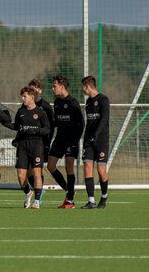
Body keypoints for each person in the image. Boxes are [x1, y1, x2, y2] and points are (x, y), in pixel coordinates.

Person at [6, 86, 50, 209]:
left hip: (36, 145)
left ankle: (36, 201)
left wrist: (35, 131)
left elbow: (47, 129)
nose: (22, 98)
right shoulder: (21, 112)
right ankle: (28, 193)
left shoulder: (41, 112)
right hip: (23, 146)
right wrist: (5, 122)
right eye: (22, 96)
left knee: (37, 173)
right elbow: (17, 127)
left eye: (24, 96)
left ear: (32, 97)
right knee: (21, 175)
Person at [47, 75, 84, 209]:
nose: (52, 88)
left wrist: (75, 140)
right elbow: (56, 122)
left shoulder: (73, 102)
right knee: (50, 166)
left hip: (71, 140)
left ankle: (70, 200)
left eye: (54, 86)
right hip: (59, 139)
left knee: (69, 167)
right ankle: (69, 192)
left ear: (62, 87)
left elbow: (81, 124)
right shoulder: (57, 103)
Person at [81, 76, 110, 209]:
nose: (82, 89)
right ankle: (91, 200)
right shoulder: (88, 102)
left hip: (101, 140)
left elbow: (104, 119)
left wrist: (96, 135)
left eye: (83, 87)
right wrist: (86, 138)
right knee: (87, 167)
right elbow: (89, 122)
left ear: (88, 86)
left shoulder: (103, 100)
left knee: (101, 170)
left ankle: (104, 197)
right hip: (89, 141)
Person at [25, 79, 55, 192]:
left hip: (41, 143)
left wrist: (48, 142)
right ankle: (38, 190)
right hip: (27, 143)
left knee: (38, 169)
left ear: (40, 90)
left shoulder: (46, 106)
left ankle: (39, 194)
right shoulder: (26, 105)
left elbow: (51, 127)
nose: (32, 91)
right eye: (30, 89)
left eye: (34, 89)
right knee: (27, 171)